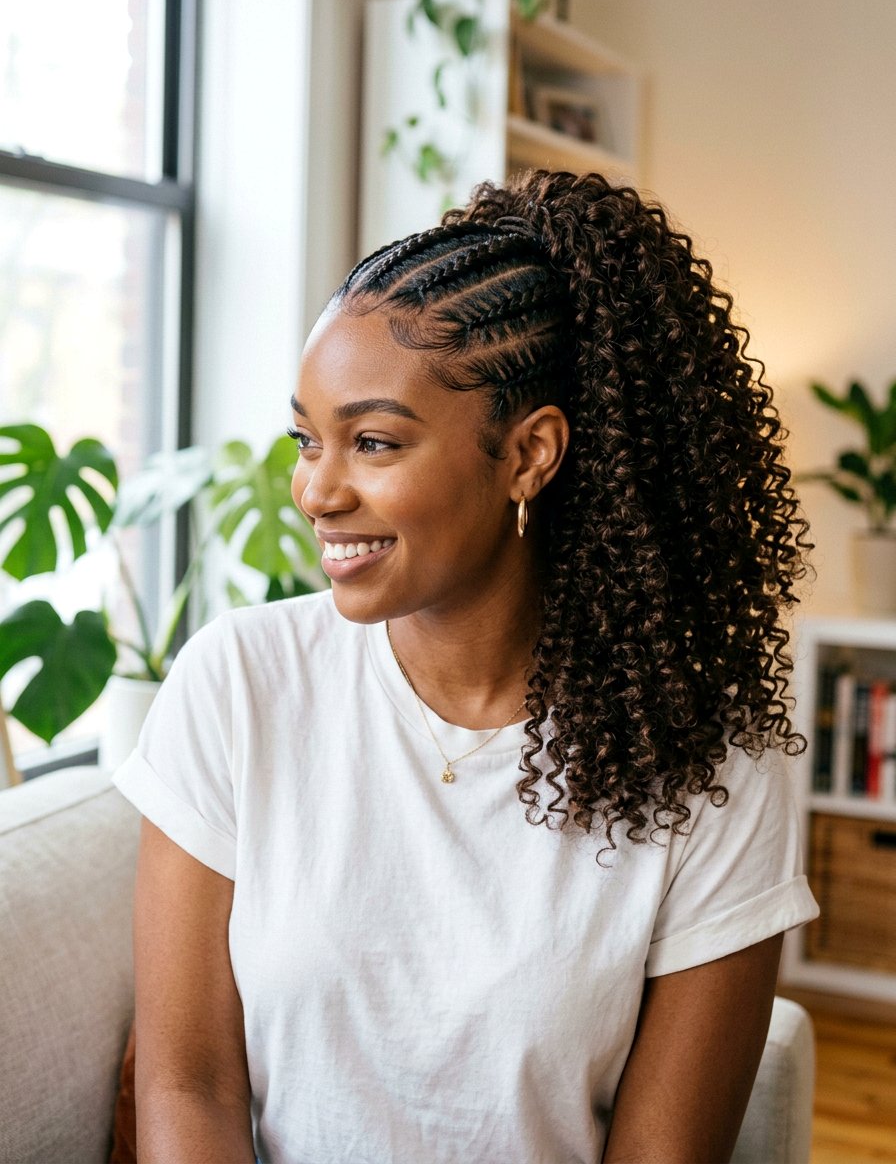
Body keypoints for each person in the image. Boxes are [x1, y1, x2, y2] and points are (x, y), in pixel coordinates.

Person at [113, 168, 820, 1164]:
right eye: (306, 439)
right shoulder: (239, 683)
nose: (315, 491)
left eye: (371, 442)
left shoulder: (707, 762)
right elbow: (189, 1082)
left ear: (528, 455)